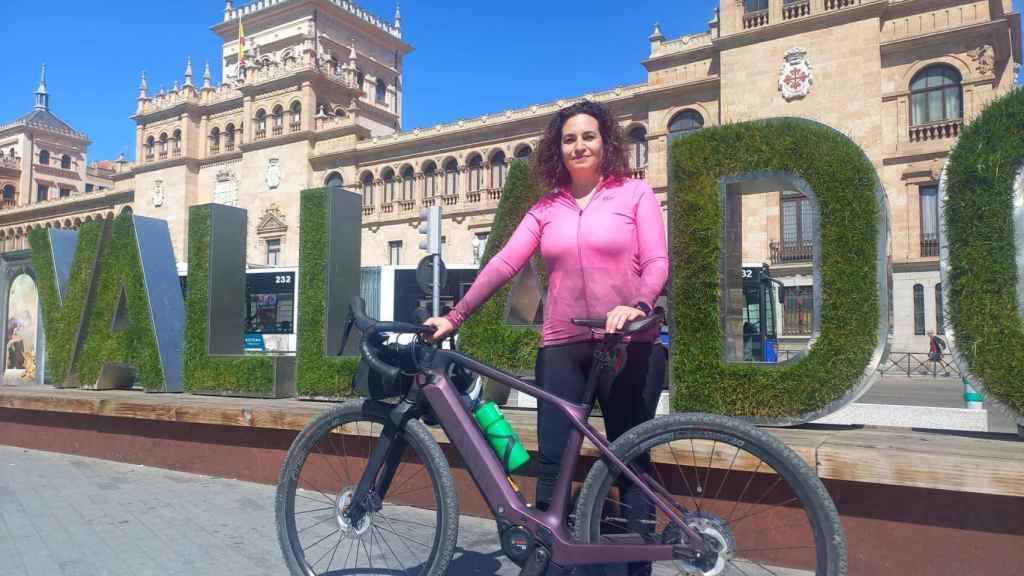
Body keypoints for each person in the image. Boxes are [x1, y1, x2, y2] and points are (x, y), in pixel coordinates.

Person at [423, 100, 669, 576]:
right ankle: (547, 563)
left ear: (606, 141)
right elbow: (503, 264)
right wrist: (455, 316)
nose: (579, 145)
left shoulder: (633, 194)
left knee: (631, 462)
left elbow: (657, 260)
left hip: (630, 343)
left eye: (589, 136)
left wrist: (637, 305)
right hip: (562, 346)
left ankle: (636, 567)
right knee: (553, 466)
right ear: (558, 149)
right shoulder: (546, 208)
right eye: (569, 139)